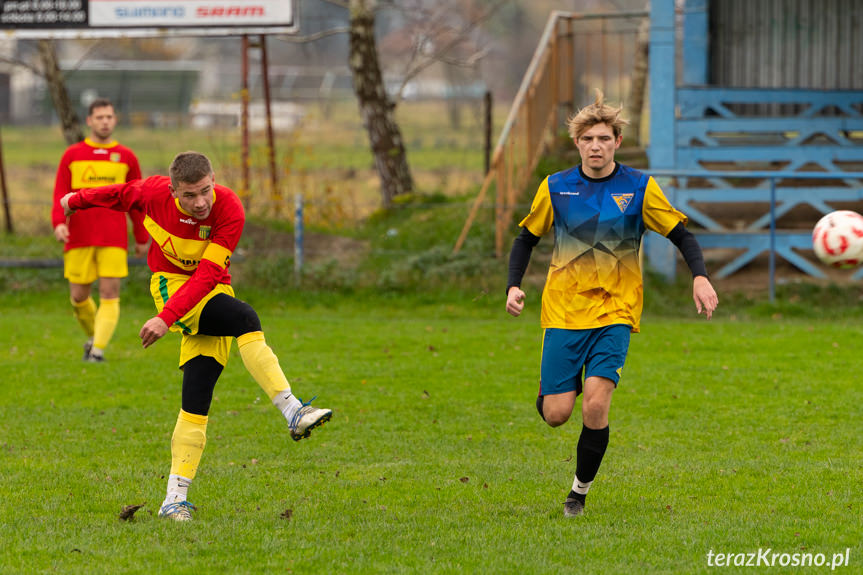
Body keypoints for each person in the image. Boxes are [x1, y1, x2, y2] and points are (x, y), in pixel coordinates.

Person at [61, 151, 333, 522]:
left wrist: (166, 320)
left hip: (209, 291)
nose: (201, 201)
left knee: (196, 399)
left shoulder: (229, 208)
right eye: (190, 195)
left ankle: (173, 500)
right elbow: (120, 193)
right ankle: (291, 409)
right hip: (170, 287)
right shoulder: (153, 193)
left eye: (206, 190)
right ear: (173, 191)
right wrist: (74, 200)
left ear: (214, 180)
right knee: (244, 318)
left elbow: (207, 275)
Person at [505, 91, 718, 518]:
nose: (596, 146)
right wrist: (513, 286)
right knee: (556, 414)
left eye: (604, 138)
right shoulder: (556, 186)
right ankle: (556, 390)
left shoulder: (640, 187)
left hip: (616, 312)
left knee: (597, 405)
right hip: (564, 313)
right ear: (578, 144)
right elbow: (526, 238)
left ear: (617, 141)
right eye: (588, 139)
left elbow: (682, 235)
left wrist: (700, 275)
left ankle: (577, 493)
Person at [52, 97, 148, 362]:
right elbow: (60, 193)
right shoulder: (72, 155)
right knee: (79, 298)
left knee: (109, 294)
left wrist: (141, 236)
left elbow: (137, 200)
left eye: (109, 117)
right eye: (99, 117)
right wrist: (59, 222)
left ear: (115, 120)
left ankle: (97, 351)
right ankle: (96, 339)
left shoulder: (127, 157)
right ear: (89, 121)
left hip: (113, 238)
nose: (105, 122)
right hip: (78, 236)